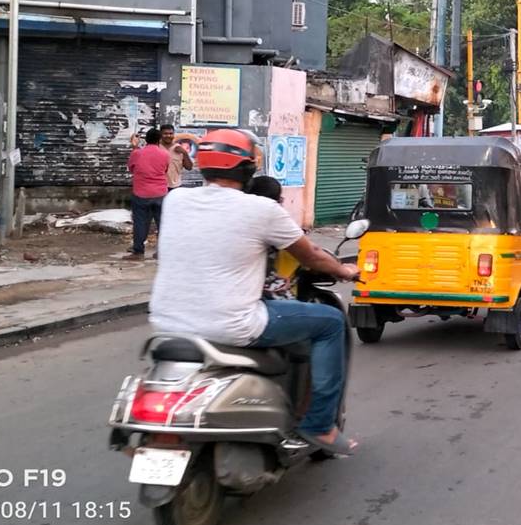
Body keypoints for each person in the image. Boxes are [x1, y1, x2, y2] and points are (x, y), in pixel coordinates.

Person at [149, 129, 362, 455]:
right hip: (233, 324)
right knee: (331, 322)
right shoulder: (263, 210)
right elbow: (313, 256)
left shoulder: (174, 200)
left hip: (166, 324)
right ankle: (320, 426)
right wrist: (345, 270)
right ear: (248, 170)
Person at [126, 127, 170, 260]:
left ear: (146, 140)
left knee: (140, 223)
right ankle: (161, 252)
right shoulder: (165, 154)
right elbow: (165, 169)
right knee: (162, 223)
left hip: (141, 193)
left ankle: (138, 252)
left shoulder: (137, 153)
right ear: (159, 140)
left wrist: (134, 147)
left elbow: (131, 169)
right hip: (160, 193)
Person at [160, 123, 194, 190]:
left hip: (175, 187)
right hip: (159, 185)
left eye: (171, 133)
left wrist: (184, 153)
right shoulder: (156, 147)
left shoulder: (179, 148)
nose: (168, 136)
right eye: (165, 133)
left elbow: (189, 167)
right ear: (160, 134)